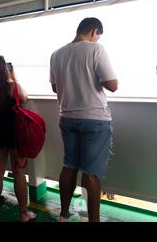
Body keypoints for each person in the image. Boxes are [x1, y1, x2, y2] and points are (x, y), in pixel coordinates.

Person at [50, 17, 118, 222]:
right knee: (91, 173)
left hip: (67, 117)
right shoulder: (96, 49)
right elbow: (113, 85)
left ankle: (63, 214)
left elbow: (55, 87)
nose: (97, 39)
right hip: (94, 119)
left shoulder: (57, 54)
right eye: (98, 36)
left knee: (69, 165)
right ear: (94, 31)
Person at [0, 55, 36, 222]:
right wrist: (13, 77)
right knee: (18, 171)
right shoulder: (13, 86)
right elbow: (24, 98)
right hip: (15, 133)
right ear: (4, 68)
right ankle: (23, 213)